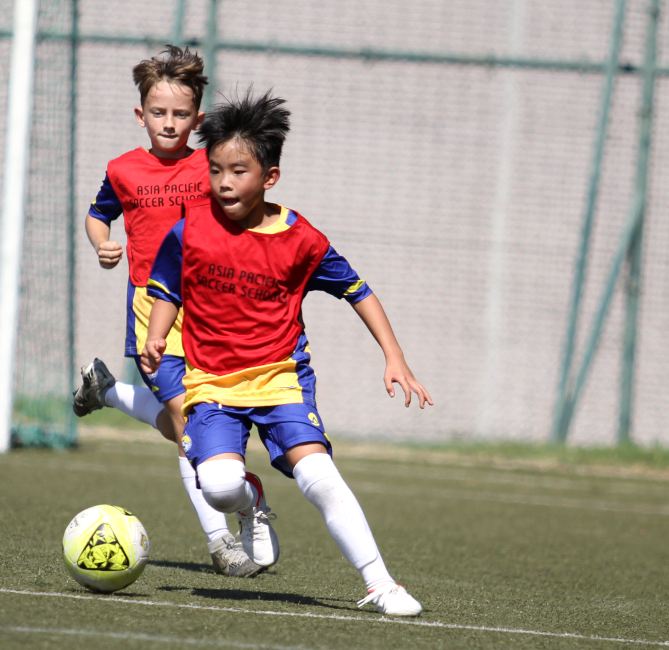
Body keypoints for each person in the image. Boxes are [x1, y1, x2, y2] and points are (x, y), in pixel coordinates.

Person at [142, 90, 433, 616]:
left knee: (318, 476)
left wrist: (394, 356)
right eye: (215, 170)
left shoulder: (302, 240)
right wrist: (157, 336)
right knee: (220, 487)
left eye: (238, 170)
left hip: (282, 380)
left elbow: (358, 290)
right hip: (210, 384)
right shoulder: (190, 230)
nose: (224, 182)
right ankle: (251, 501)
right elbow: (166, 289)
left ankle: (381, 583)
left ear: (269, 177)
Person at [71, 46, 261, 577]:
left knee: (191, 424)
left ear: (198, 119)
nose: (169, 123)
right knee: (187, 426)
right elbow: (96, 215)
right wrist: (102, 242)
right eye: (159, 112)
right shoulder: (123, 169)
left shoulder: (211, 165)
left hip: (210, 309)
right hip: (150, 308)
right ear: (141, 114)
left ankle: (105, 390)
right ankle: (222, 543)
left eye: (181, 114)